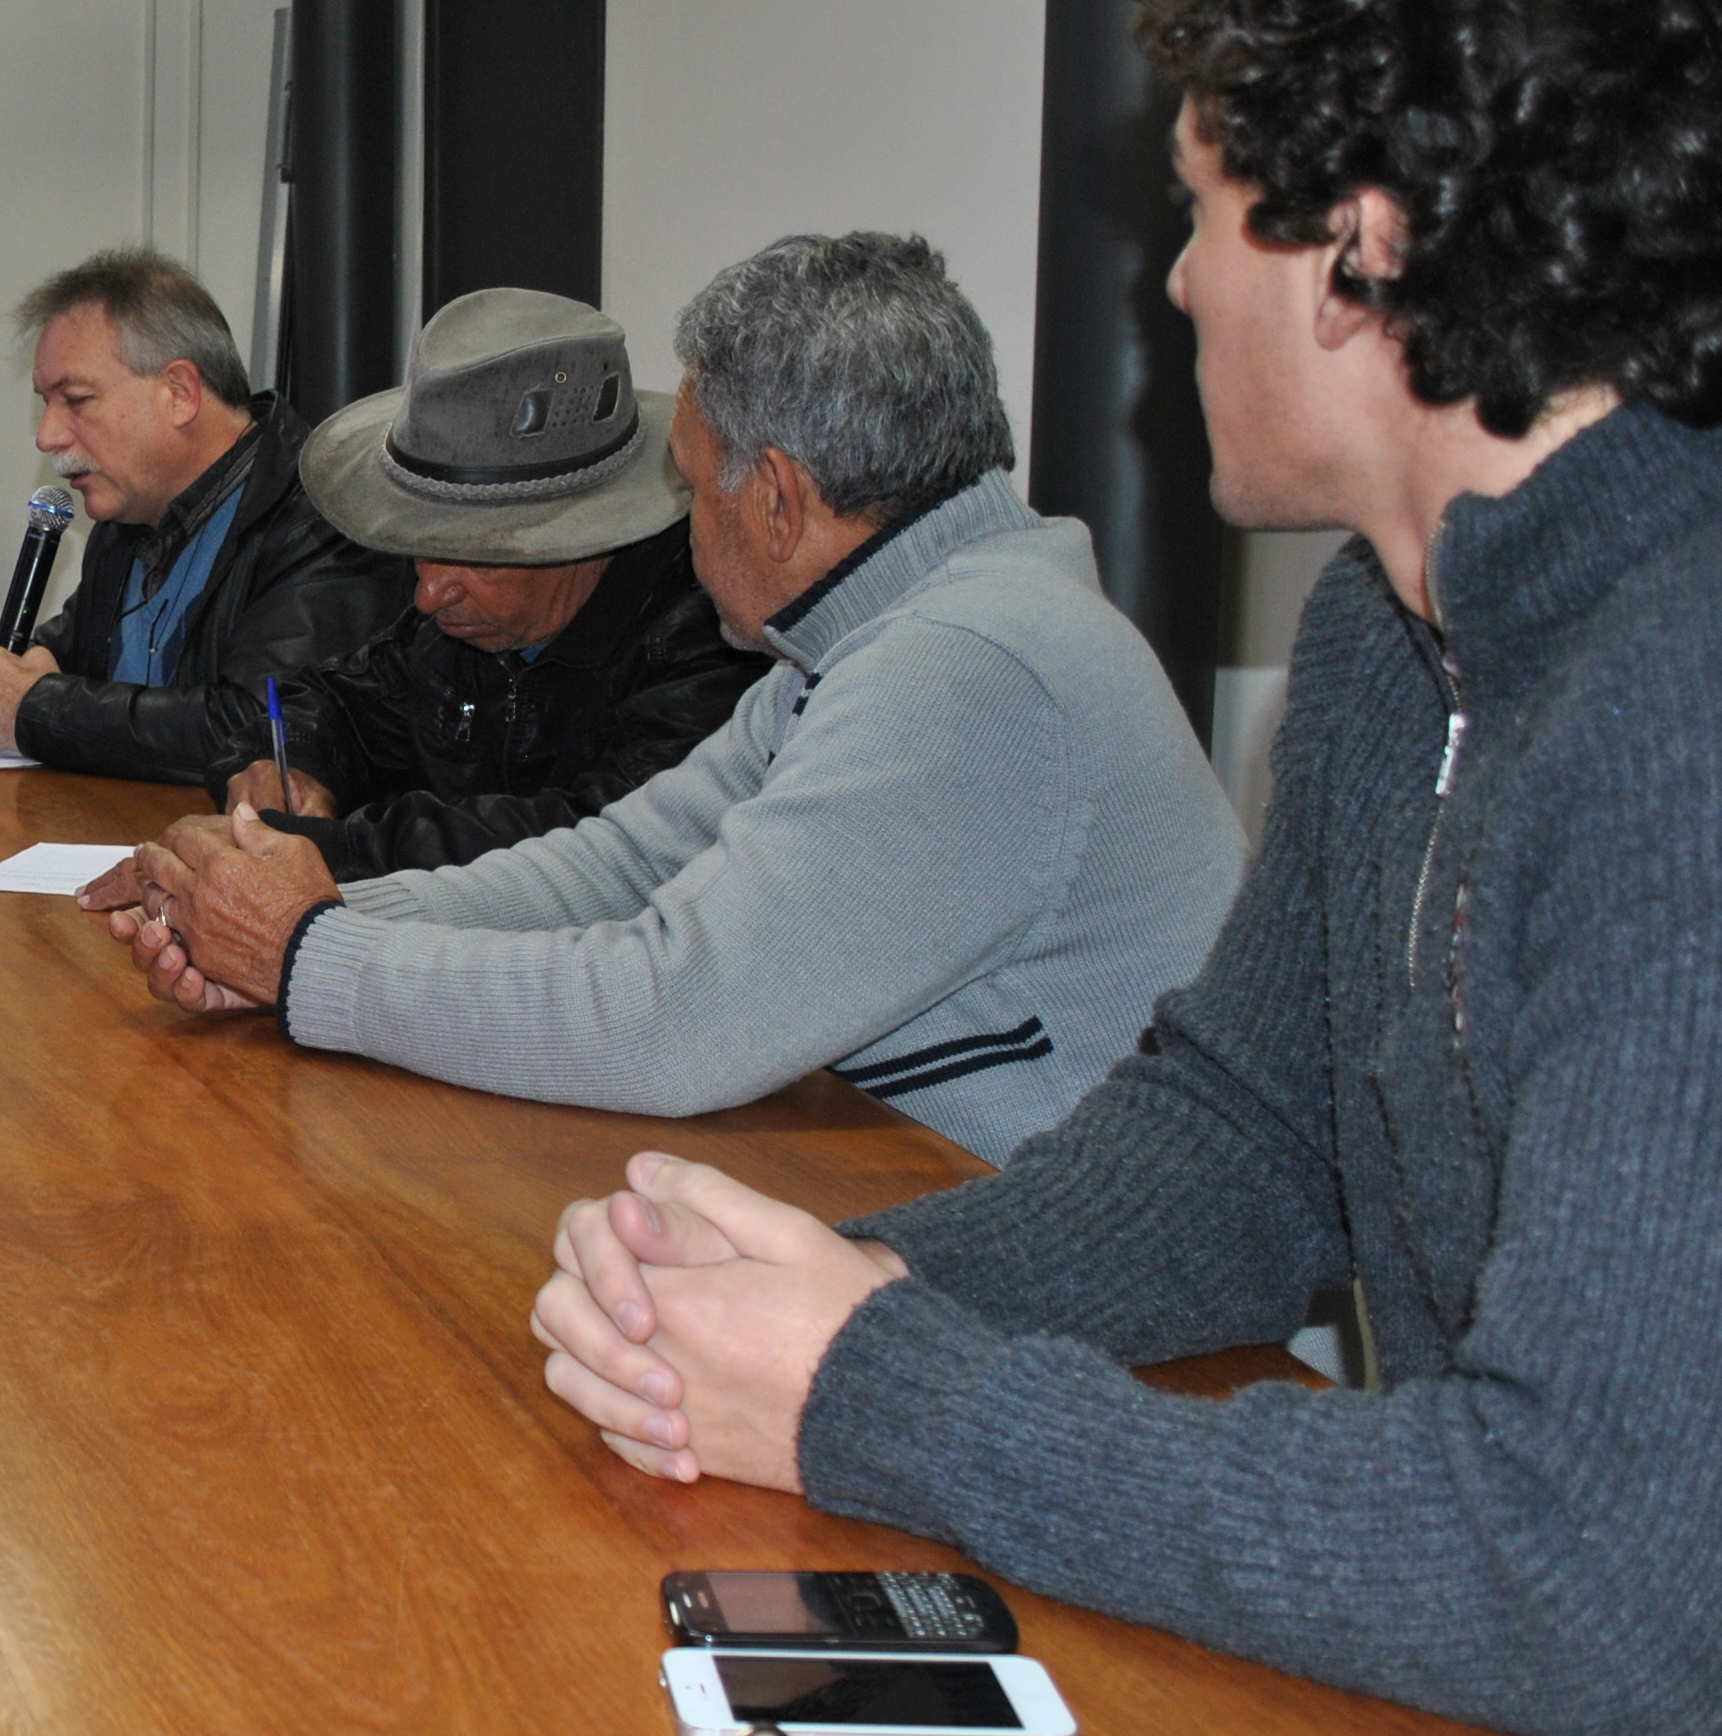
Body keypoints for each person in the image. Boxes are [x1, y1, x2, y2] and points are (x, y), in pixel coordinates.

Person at [532, 0, 1722, 1736]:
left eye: (1194, 203)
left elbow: (1610, 1587)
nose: (1168, 282)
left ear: (1358, 246)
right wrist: (810, 1287)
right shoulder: (1385, 626)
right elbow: (1247, 1156)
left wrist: (875, 1391)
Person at [92, 232, 1243, 1166]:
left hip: (1082, 1322)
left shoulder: (969, 670)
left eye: (692, 491)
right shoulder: (858, 647)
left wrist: (306, 961)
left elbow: (671, 1018)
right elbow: (617, 864)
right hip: (907, 1195)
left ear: (778, 501)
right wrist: (302, 924)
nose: (682, 535)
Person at [208, 288, 768, 874]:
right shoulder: (457, 623)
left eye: (473, 554)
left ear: (582, 535)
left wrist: (336, 849)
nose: (428, 595)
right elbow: (340, 700)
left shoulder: (710, 638)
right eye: (418, 552)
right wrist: (291, 764)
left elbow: (603, 848)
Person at [0, 249, 400, 780]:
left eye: (76, 399)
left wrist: (35, 709)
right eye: (46, 402)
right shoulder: (126, 522)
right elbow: (62, 675)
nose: (47, 436)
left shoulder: (324, 517)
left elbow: (269, 730)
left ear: (179, 393)